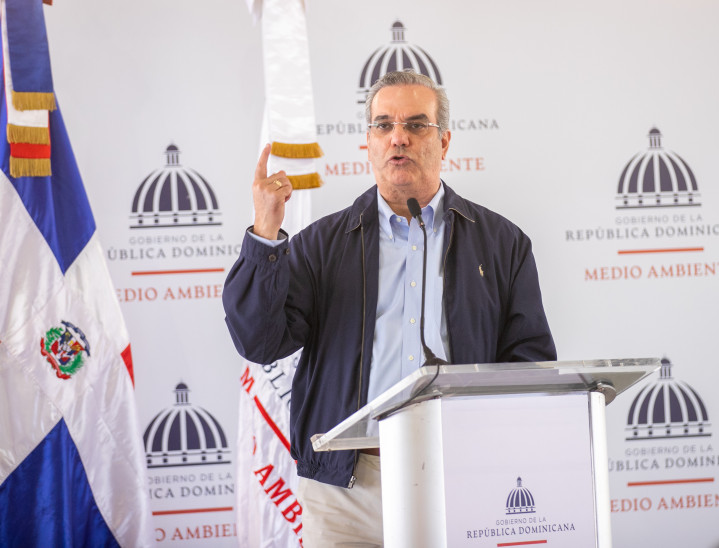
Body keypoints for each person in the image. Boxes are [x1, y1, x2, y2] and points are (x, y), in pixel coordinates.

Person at [223, 70, 556, 546]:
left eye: (416, 125)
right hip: (346, 489)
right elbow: (259, 341)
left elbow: (528, 364)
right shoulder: (321, 245)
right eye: (383, 125)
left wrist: (497, 453)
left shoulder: (502, 244)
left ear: (444, 142)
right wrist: (265, 234)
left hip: (460, 477)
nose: (398, 137)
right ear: (369, 143)